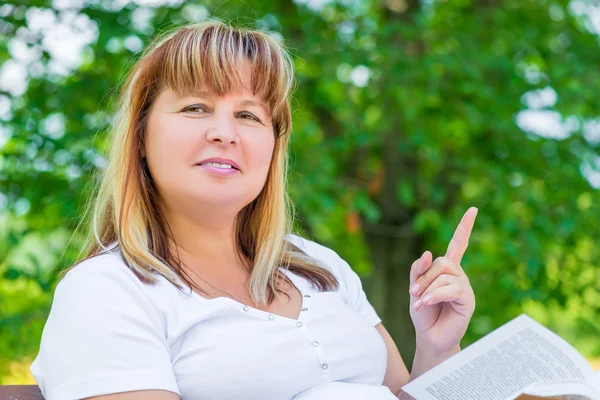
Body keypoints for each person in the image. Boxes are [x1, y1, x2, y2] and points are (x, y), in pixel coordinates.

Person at [30, 20, 478, 400]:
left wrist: (437, 348)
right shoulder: (107, 291)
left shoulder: (321, 267)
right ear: (141, 138)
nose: (224, 133)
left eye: (249, 116)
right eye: (196, 107)